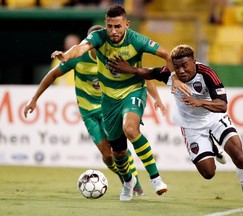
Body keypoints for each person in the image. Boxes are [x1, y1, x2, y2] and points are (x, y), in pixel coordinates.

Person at [107, 44, 243, 209]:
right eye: (177, 67)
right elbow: (148, 72)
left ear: (194, 62)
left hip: (214, 119)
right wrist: (129, 69)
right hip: (191, 127)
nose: (181, 70)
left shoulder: (207, 73)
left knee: (239, 156)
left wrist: (200, 102)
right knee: (208, 173)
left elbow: (222, 105)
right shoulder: (169, 74)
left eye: (185, 65)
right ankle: (212, 146)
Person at [51, 4, 174, 201]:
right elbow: (80, 48)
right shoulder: (99, 38)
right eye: (110, 26)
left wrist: (173, 79)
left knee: (131, 129)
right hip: (108, 99)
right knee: (118, 152)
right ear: (105, 25)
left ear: (126, 24)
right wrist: (65, 56)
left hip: (133, 91)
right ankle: (128, 182)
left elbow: (167, 55)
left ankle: (156, 178)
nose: (113, 31)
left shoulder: (137, 40)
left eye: (117, 26)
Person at [24, 25, 164, 196]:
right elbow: (53, 74)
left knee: (119, 147)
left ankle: (135, 183)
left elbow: (141, 74)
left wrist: (156, 98)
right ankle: (126, 177)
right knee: (107, 155)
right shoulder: (78, 58)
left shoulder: (113, 57)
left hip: (110, 106)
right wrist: (34, 99)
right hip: (88, 111)